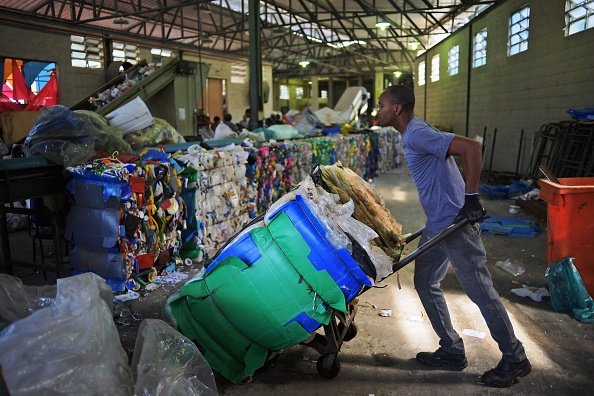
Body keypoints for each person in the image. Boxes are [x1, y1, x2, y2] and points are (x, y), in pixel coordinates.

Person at [377, 84, 530, 388]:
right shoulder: (413, 134)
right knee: (424, 281)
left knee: (480, 292)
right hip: (440, 223)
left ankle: (515, 358)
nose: (377, 111)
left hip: (457, 224)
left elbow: (472, 148)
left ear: (396, 109)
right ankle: (451, 349)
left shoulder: (418, 133)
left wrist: (471, 197)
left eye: (381, 105)